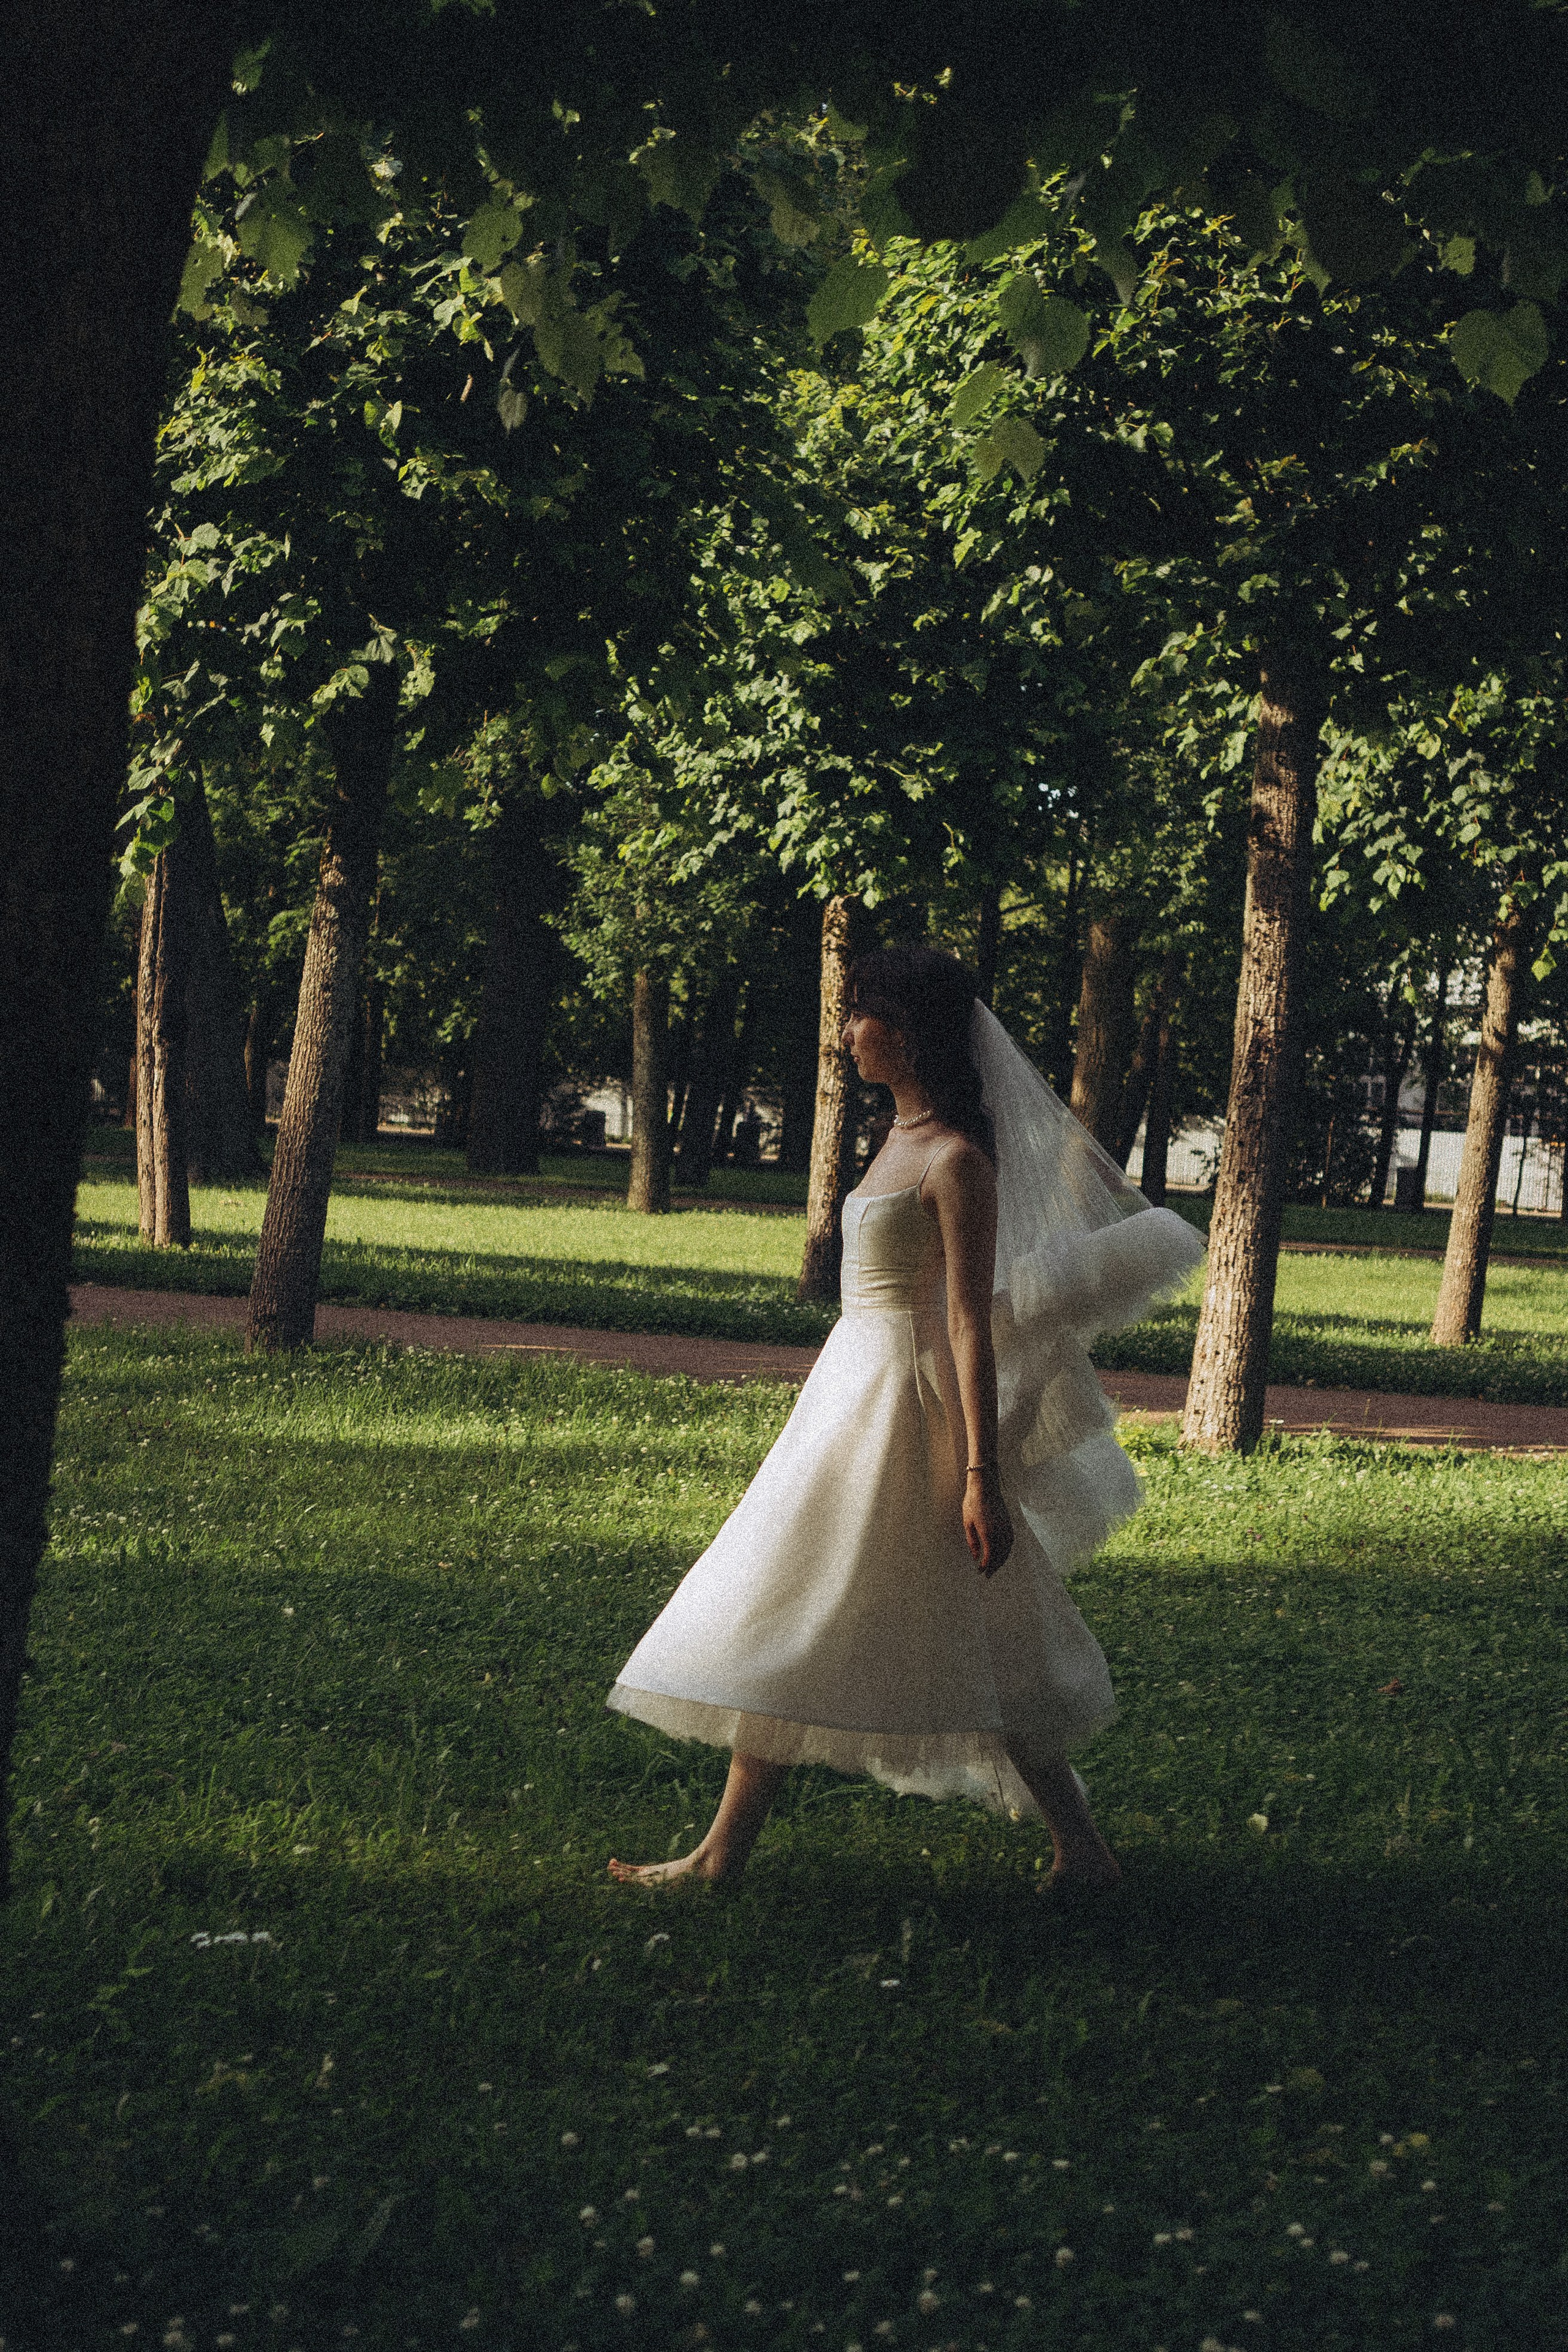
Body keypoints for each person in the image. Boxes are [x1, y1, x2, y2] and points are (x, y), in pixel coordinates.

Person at [606, 947, 1205, 1891]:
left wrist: (979, 1474)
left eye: (864, 1015)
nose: (848, 1034)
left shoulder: (957, 1161)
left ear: (912, 1032)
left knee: (982, 1630)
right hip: (848, 1399)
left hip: (909, 1414)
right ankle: (722, 1854)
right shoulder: (897, 1138)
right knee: (797, 1603)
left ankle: (1081, 1848)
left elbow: (970, 1321)